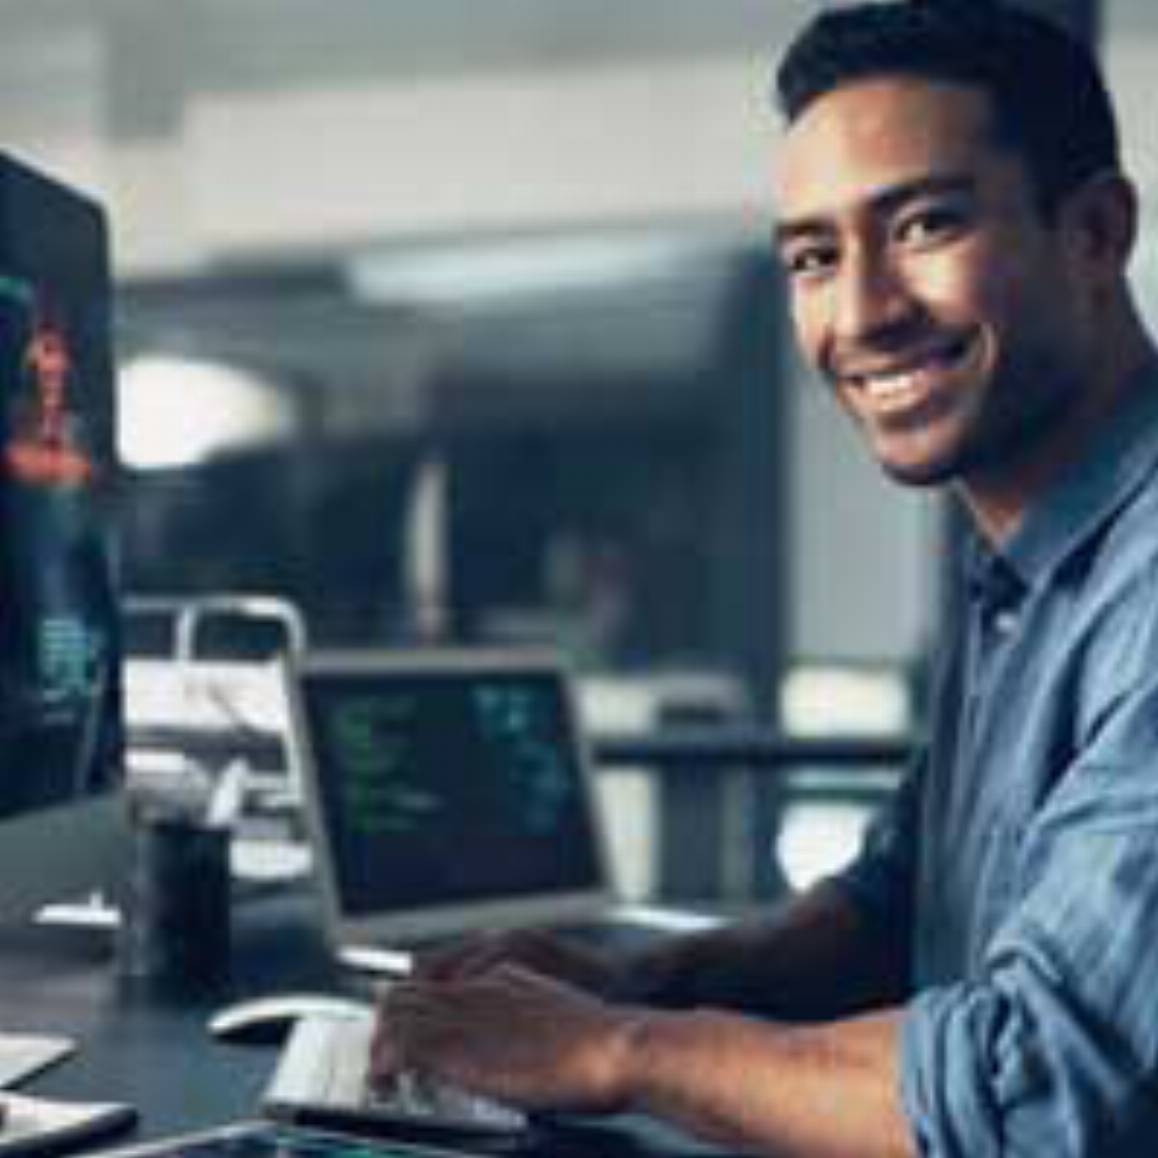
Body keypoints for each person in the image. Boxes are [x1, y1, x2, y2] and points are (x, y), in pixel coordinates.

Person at [372, 3, 1158, 1154]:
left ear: (1094, 232)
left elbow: (1039, 1092)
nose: (863, 312)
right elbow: (897, 907)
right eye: (814, 257)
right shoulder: (1024, 566)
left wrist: (610, 1052)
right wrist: (630, 983)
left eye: (927, 223)